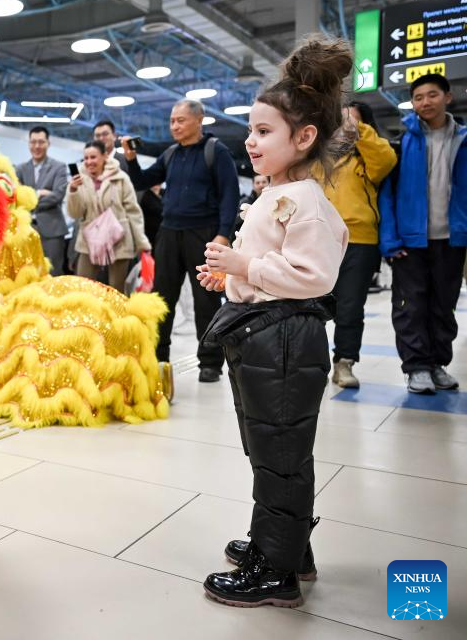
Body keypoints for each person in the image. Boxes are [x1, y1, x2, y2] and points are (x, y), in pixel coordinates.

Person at [197, 35, 352, 608]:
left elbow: (314, 276)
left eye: (264, 131)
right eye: (251, 130)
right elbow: (270, 265)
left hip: (285, 338)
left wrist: (245, 266)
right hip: (265, 335)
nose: (251, 140)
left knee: (280, 454)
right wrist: (232, 277)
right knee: (272, 448)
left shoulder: (304, 201)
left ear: (303, 137)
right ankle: (286, 547)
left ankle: (276, 571)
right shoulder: (276, 194)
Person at [123, 99, 240, 382]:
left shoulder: (216, 151)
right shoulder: (171, 154)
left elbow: (230, 195)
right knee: (162, 298)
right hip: (169, 233)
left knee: (206, 300)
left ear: (199, 120)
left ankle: (210, 362)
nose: (174, 126)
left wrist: (223, 234)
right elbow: (142, 181)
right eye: (172, 121)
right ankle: (158, 356)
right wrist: (131, 159)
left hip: (204, 233)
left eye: (181, 120)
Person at [378, 73, 467, 394]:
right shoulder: (401, 144)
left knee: (444, 305)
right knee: (410, 305)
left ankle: (437, 364)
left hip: (452, 238)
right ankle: (417, 367)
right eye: (418, 97)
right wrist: (390, 241)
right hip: (410, 241)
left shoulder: (463, 141)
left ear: (447, 97)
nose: (425, 102)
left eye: (432, 95)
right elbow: (386, 195)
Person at [323, 101, 397, 388]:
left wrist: (358, 129)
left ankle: (344, 363)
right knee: (309, 305)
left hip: (360, 240)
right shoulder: (318, 158)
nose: (343, 126)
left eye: (351, 120)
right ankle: (310, 361)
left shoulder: (369, 158)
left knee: (351, 307)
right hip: (320, 241)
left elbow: (386, 160)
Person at [67, 140, 149, 291]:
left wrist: (141, 243)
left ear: (105, 156)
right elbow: (75, 213)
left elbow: (133, 211)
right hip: (88, 241)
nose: (89, 162)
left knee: (116, 290)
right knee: (83, 288)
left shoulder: (121, 178)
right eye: (86, 158)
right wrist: (73, 191)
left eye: (93, 157)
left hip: (119, 240)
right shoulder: (80, 180)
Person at [16, 126, 69, 275]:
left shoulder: (59, 167)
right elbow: (17, 197)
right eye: (33, 142)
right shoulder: (20, 169)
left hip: (52, 232)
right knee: (27, 273)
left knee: (53, 273)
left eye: (41, 142)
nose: (37, 146)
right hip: (26, 230)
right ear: (29, 144)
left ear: (48, 143)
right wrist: (39, 193)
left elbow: (58, 195)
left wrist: (29, 198)